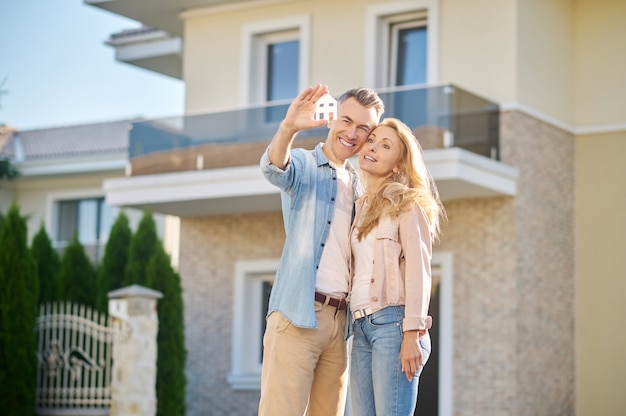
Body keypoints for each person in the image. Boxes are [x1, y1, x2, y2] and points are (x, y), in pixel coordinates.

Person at [259, 84, 384, 416]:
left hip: (339, 324)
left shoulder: (360, 185)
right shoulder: (304, 165)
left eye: (364, 129)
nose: (352, 133)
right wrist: (289, 127)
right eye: (346, 121)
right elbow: (274, 168)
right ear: (332, 120)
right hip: (298, 315)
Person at [348, 118, 445, 416]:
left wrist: (412, 332)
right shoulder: (358, 206)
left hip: (393, 324)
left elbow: (419, 269)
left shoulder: (407, 204)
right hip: (360, 326)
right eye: (372, 140)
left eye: (385, 146)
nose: (373, 147)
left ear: (398, 165)